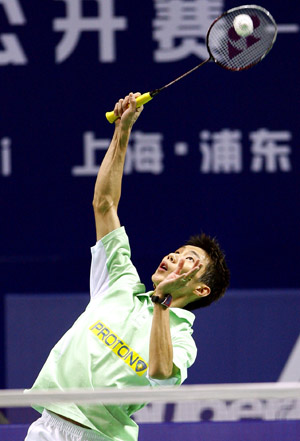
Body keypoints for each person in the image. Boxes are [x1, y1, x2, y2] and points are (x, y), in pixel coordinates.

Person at [24, 93, 230, 441]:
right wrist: (123, 131)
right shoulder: (119, 281)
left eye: (189, 260)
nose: (173, 257)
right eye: (177, 251)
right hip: (48, 426)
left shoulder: (181, 337)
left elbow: (162, 376)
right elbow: (104, 204)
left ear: (200, 289)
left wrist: (162, 303)